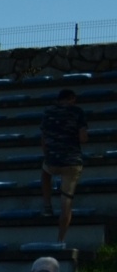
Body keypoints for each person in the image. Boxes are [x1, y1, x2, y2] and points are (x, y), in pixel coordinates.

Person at [40, 89, 89, 244]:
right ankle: (61, 240)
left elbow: (43, 139)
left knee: (45, 172)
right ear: (72, 99)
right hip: (71, 161)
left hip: (53, 160)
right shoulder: (77, 112)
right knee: (66, 201)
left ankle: (47, 205)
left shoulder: (48, 112)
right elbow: (83, 138)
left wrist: (48, 154)